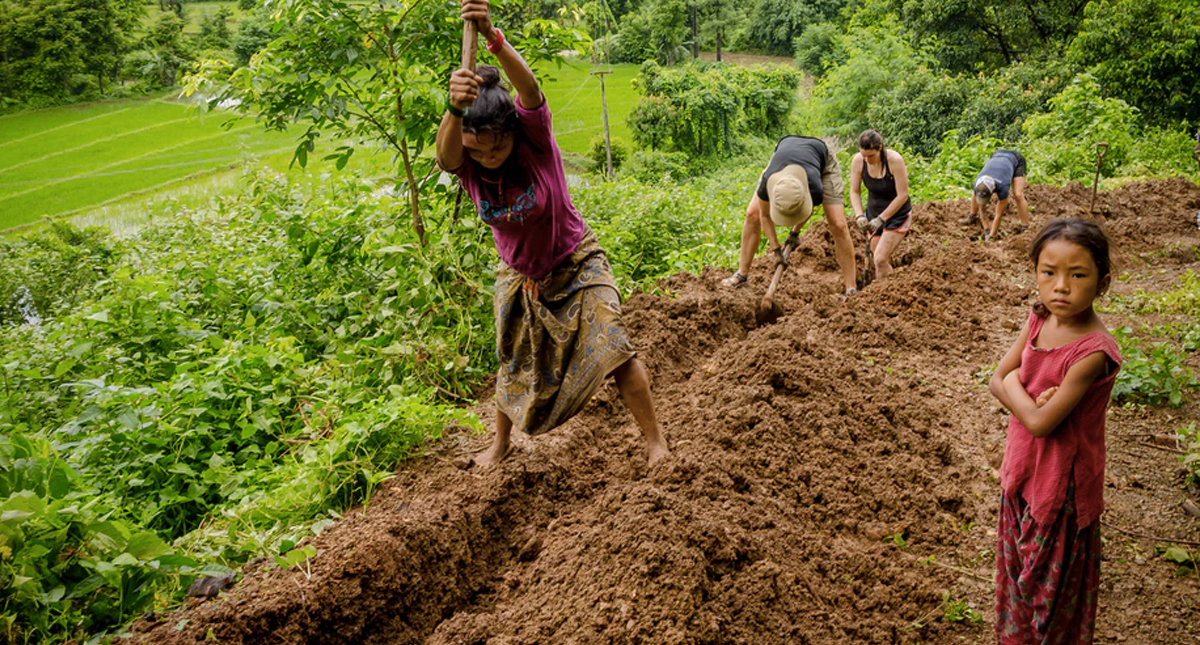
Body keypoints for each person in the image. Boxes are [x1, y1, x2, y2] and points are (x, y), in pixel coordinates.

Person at [435, 0, 669, 467]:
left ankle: (656, 443)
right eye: (478, 152)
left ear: (512, 132)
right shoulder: (466, 165)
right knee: (511, 359)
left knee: (614, 344)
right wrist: (452, 107)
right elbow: (445, 157)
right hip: (520, 273)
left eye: (498, 145)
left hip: (576, 259)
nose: (490, 157)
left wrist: (494, 38)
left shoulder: (535, 141)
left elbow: (530, 88)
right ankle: (499, 445)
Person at [987, 218, 1122, 644]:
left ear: (1102, 281)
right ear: (1036, 274)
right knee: (1018, 583)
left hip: (1060, 492)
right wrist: (1021, 392)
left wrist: (1017, 389)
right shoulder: (1038, 319)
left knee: (1051, 598)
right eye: (1049, 272)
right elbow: (996, 378)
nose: (1060, 286)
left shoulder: (1092, 353)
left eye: (1078, 274)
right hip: (1023, 474)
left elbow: (1041, 422)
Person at [720, 135, 858, 297]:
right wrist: (776, 250)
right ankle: (741, 274)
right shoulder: (767, 182)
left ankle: (851, 288)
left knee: (838, 224)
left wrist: (795, 232)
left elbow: (806, 208)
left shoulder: (814, 187)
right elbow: (764, 216)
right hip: (783, 158)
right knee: (752, 214)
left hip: (821, 158)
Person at [848, 129, 912, 280]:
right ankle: (885, 291)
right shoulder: (858, 161)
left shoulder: (894, 160)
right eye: (864, 156)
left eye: (871, 156)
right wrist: (859, 216)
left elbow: (903, 195)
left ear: (880, 148)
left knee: (880, 259)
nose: (867, 160)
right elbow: (854, 192)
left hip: (897, 214)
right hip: (874, 213)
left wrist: (882, 218)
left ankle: (889, 293)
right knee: (879, 260)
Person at [963, 149, 1031, 241]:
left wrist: (991, 236)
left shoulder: (1002, 187)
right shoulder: (977, 183)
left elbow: (999, 215)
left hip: (1016, 159)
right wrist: (987, 230)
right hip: (996, 155)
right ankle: (973, 216)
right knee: (978, 195)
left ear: (994, 188)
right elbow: (982, 209)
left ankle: (1025, 227)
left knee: (1018, 194)